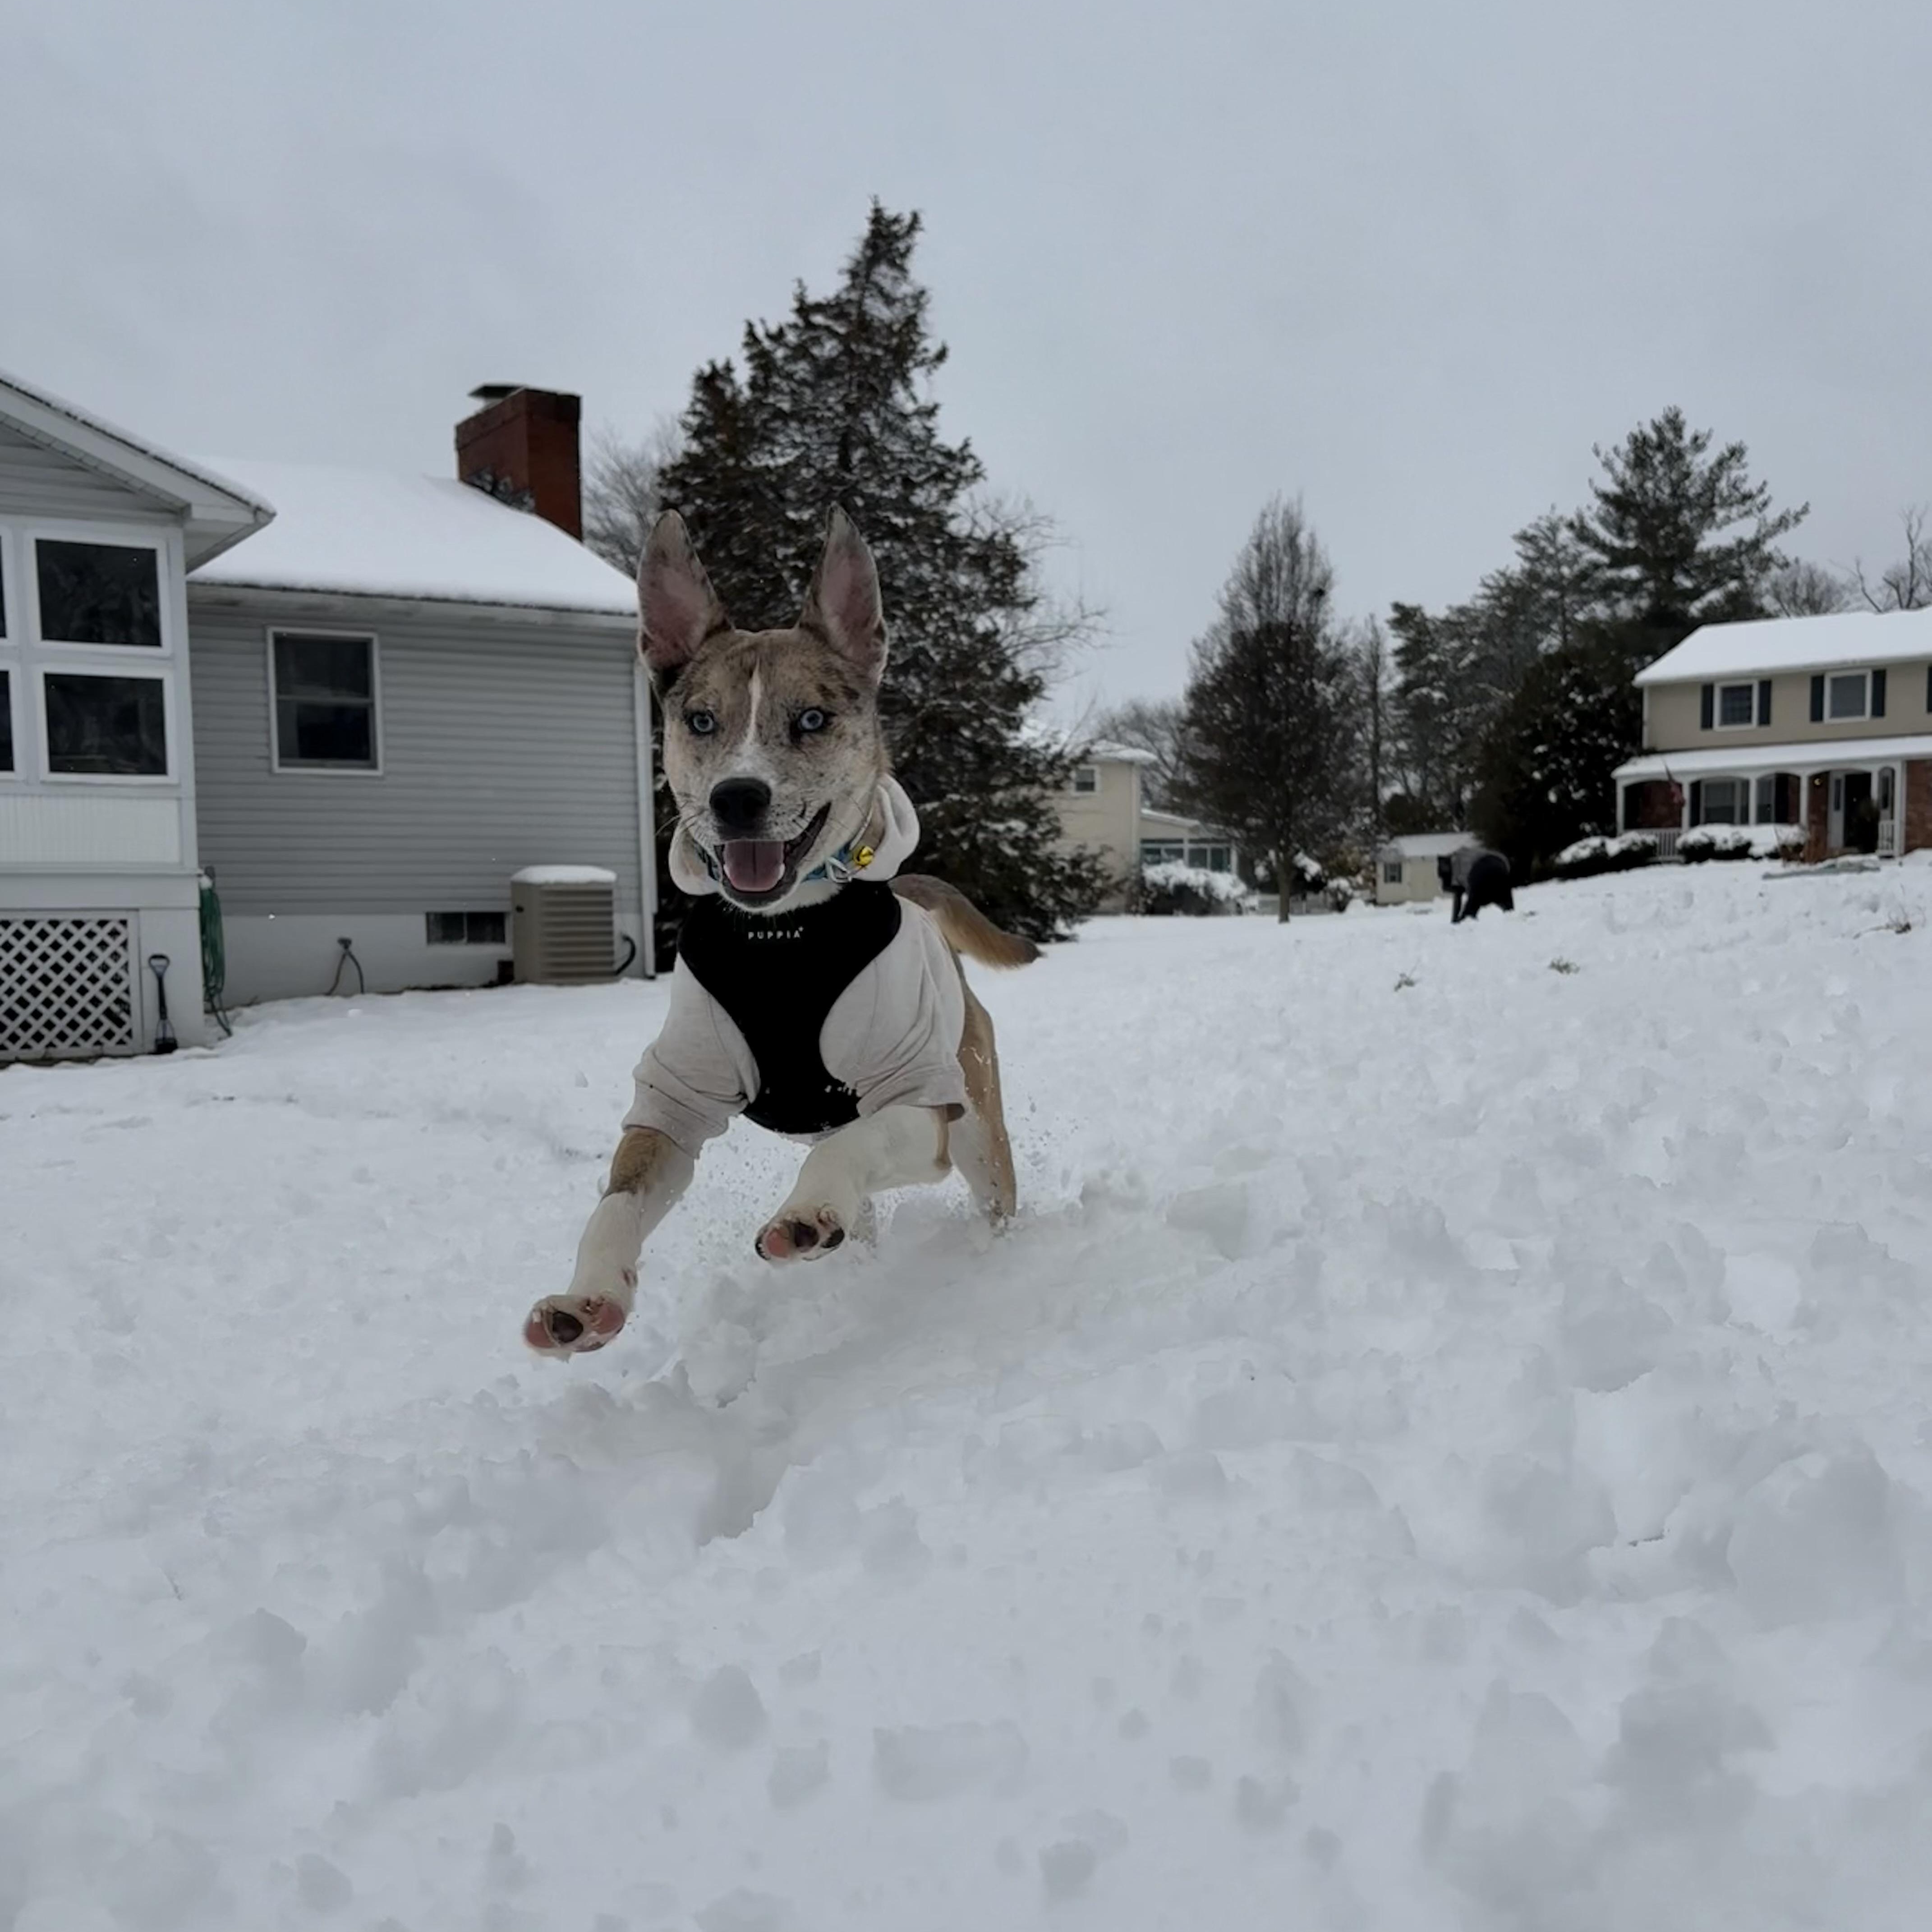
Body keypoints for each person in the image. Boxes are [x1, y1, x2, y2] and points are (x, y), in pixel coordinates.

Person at [1437, 843, 1514, 923]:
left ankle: (1465, 924)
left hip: (1482, 869)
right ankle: (1513, 918)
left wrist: (1455, 920)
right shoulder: (1463, 854)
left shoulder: (1456, 867)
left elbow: (1459, 896)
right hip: (1501, 866)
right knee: (1509, 910)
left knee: (1470, 911)